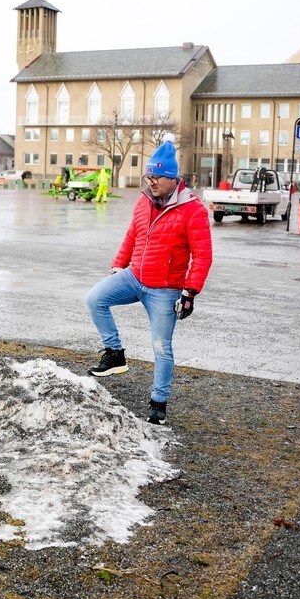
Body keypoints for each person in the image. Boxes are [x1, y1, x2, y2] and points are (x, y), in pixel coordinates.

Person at [84, 134, 213, 425]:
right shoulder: (144, 202)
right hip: (134, 277)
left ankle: (158, 403)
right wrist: (119, 264)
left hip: (165, 290)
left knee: (161, 347)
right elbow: (132, 234)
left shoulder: (193, 210)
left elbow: (202, 256)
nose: (151, 181)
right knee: (95, 298)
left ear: (172, 178)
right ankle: (115, 353)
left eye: (157, 176)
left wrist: (190, 292)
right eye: (149, 175)